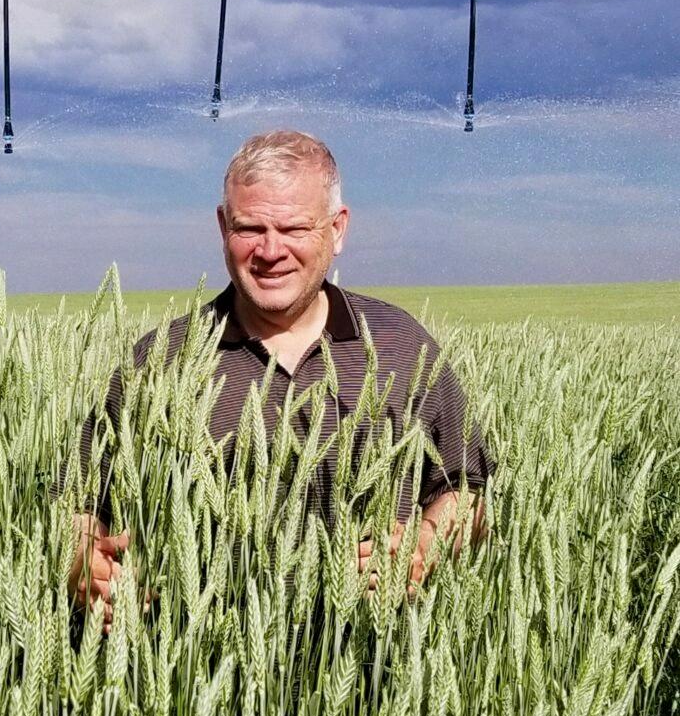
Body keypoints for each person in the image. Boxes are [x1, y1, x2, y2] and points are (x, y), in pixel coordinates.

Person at [66, 129, 491, 629]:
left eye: (293, 229)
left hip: (372, 668)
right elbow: (78, 501)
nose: (270, 251)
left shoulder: (402, 346)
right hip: (198, 668)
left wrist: (427, 541)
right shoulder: (160, 362)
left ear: (337, 229)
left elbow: (471, 489)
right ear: (223, 226)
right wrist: (81, 561)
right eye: (250, 228)